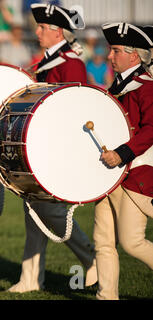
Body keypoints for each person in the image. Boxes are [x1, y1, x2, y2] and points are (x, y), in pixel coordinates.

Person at [8, 3, 97, 293]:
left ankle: (93, 259)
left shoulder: (71, 64)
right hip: (40, 149)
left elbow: (75, 109)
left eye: (42, 28)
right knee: (33, 216)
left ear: (57, 31)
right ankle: (30, 279)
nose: (37, 32)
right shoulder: (47, 62)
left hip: (58, 152)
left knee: (52, 214)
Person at [93, 22, 153, 300]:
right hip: (108, 175)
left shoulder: (146, 87)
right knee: (103, 242)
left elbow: (151, 128)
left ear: (135, 55)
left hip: (135, 175)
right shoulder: (117, 86)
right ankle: (107, 297)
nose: (109, 56)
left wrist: (122, 153)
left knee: (132, 242)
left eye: (115, 50)